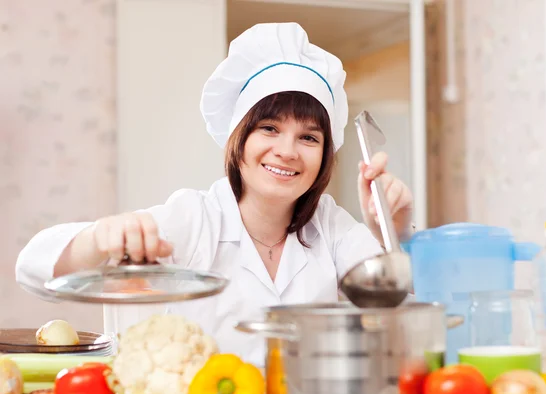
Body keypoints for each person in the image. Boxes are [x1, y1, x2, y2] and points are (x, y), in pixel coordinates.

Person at [15, 22, 414, 366]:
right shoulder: (193, 218)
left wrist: (390, 232)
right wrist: (98, 238)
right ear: (237, 139)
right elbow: (32, 269)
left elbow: (407, 304)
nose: (288, 151)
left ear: (325, 155)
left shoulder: (330, 226)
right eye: (269, 129)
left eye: (308, 137)